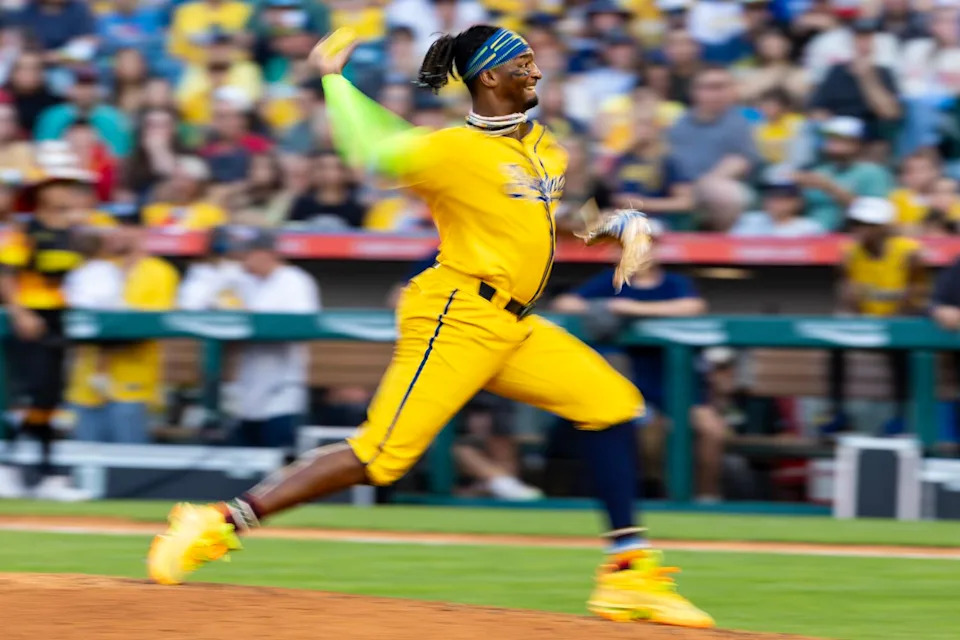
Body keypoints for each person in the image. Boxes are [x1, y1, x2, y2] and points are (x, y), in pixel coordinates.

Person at [148, 26, 713, 629]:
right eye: (524, 63)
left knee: (610, 404)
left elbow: (551, 216)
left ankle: (628, 575)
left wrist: (616, 223)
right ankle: (215, 521)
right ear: (490, 77)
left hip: (513, 324)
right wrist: (334, 80)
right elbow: (370, 150)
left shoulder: (545, 145)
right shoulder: (451, 150)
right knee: (381, 455)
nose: (537, 72)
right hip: (457, 312)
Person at [551, 220, 729, 502]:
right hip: (636, 383)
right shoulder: (611, 281)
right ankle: (660, 494)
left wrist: (630, 308)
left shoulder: (675, 283)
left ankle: (706, 497)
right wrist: (606, 305)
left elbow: (694, 306)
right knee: (649, 430)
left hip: (681, 385)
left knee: (712, 430)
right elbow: (565, 304)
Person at [0, 149, 93, 500]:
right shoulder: (25, 230)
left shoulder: (72, 232)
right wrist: (20, 311)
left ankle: (44, 470)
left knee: (52, 396)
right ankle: (12, 465)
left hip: (57, 315)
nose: (66, 191)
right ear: (40, 191)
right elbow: (7, 275)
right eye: (58, 184)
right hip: (31, 315)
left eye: (69, 184)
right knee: (33, 391)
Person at [67, 213, 180, 444]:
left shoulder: (159, 272)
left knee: (129, 465)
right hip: (86, 381)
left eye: (125, 228)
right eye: (113, 229)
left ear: (141, 232)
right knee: (84, 462)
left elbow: (149, 323)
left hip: (130, 381)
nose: (116, 235)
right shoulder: (96, 268)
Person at [830, 197, 925, 435]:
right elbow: (848, 299)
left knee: (901, 344)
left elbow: (917, 298)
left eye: (867, 224)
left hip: (903, 324)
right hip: (868, 324)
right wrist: (850, 304)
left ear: (884, 227)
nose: (860, 230)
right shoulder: (850, 255)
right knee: (835, 338)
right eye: (856, 224)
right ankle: (838, 411)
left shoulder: (908, 253)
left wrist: (890, 321)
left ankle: (900, 416)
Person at [227, 228, 320, 448]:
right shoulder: (244, 282)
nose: (243, 261)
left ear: (267, 254)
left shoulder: (294, 281)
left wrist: (251, 317)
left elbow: (300, 326)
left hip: (282, 393)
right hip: (247, 392)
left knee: (280, 468)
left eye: (248, 254)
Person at [667, 65, 760, 230]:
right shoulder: (679, 123)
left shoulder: (741, 120)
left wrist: (701, 185)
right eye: (710, 87)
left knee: (727, 194)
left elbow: (739, 161)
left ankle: (723, 247)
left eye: (723, 87)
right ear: (694, 91)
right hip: (679, 188)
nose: (717, 93)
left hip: (718, 186)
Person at [795, 116, 894, 231]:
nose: (832, 144)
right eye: (830, 139)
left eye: (839, 140)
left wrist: (829, 187)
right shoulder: (820, 171)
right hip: (810, 236)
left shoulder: (873, 172)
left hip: (849, 235)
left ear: (857, 143)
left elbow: (875, 213)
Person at [35, 66, 133, 158]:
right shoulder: (51, 116)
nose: (85, 91)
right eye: (80, 85)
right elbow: (42, 150)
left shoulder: (114, 119)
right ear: (69, 88)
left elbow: (120, 154)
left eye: (90, 86)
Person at [142, 155, 228, 229]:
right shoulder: (153, 212)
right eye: (175, 178)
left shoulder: (213, 214)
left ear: (200, 184)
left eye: (185, 180)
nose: (178, 185)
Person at [730, 170, 826, 236]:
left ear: (798, 202)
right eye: (771, 195)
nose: (775, 201)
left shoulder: (810, 229)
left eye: (782, 196)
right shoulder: (748, 221)